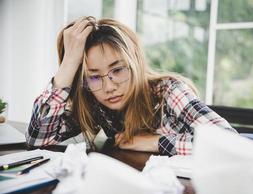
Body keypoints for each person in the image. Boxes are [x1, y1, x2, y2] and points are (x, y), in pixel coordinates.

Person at [25, 16, 236, 156]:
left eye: (118, 70)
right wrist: (68, 63)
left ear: (135, 63)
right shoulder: (95, 101)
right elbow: (37, 139)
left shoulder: (169, 91)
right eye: (95, 77)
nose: (109, 87)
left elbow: (229, 143)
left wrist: (155, 142)